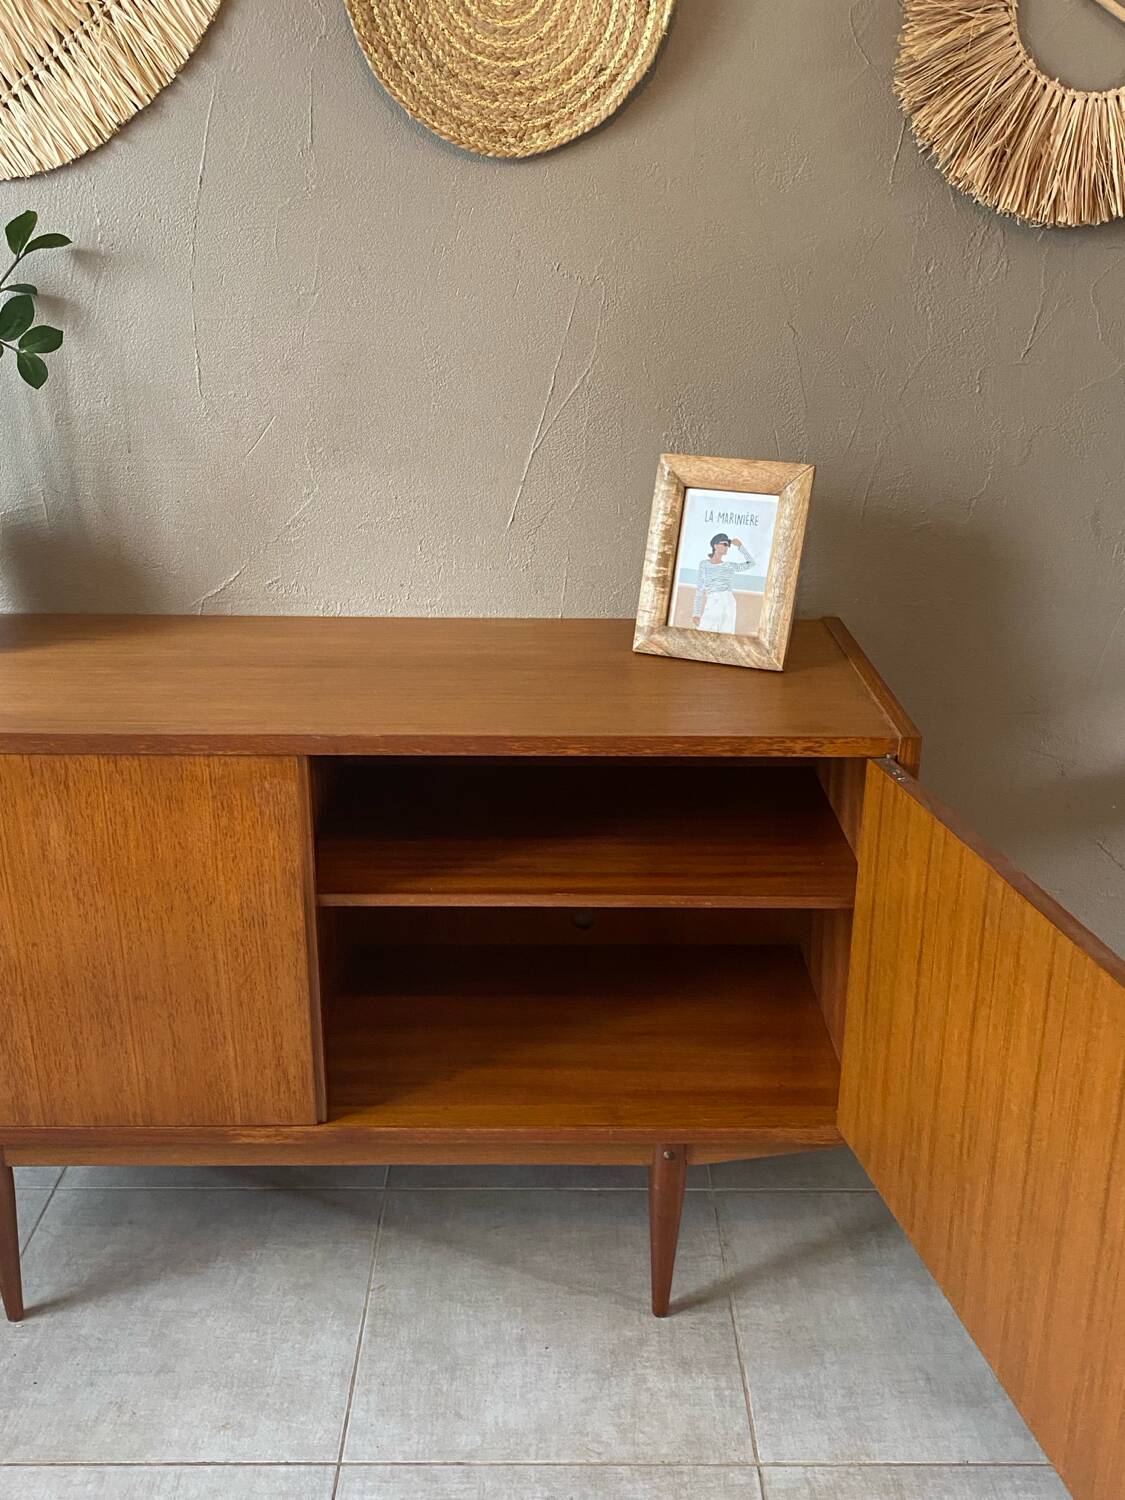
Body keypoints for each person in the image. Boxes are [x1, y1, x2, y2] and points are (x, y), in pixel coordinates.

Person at [691, 533, 755, 632]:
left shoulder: (729, 566)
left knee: (726, 634)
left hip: (728, 601)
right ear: (715, 545)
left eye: (728, 545)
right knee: (705, 632)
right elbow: (700, 590)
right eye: (724, 544)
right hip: (712, 601)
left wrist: (740, 546)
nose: (727, 547)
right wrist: (696, 613)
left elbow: (751, 563)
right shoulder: (704, 564)